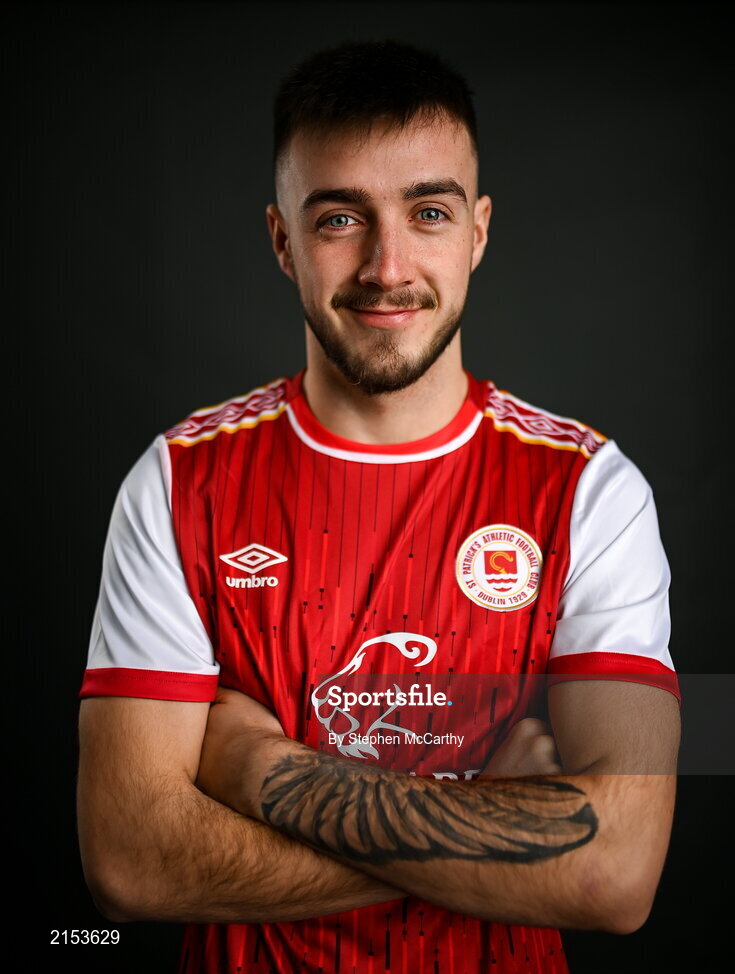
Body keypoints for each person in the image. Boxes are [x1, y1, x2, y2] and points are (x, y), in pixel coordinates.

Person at [77, 40, 681, 974]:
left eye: (428, 212)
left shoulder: (592, 491)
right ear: (282, 240)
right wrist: (487, 817)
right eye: (338, 220)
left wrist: (260, 771)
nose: (386, 266)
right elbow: (128, 865)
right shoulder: (175, 482)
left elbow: (615, 873)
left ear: (477, 231)